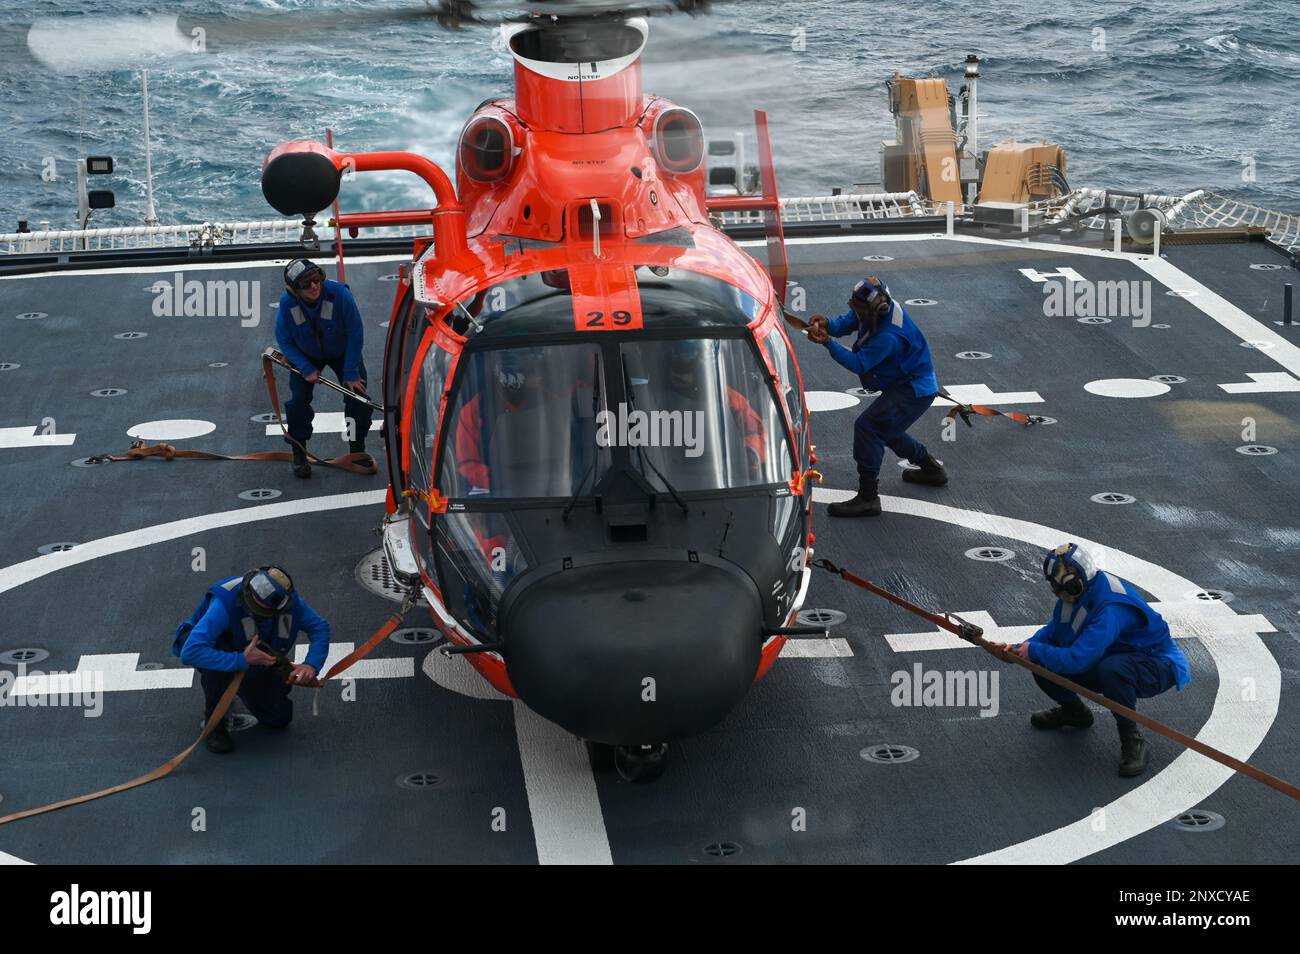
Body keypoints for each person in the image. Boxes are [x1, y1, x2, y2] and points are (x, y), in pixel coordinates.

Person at [995, 543, 1192, 777]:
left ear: (1071, 583)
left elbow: (1079, 660)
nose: (1055, 592)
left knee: (1112, 670)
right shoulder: (1080, 593)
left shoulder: (1111, 607)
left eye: (1056, 586)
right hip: (1116, 653)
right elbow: (1054, 632)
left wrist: (1034, 651)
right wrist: (1018, 650)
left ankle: (1133, 739)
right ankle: (1075, 712)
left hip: (1157, 664)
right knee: (1043, 657)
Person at [807, 276, 945, 517]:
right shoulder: (878, 309)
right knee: (887, 430)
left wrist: (828, 342)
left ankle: (868, 498)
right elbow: (853, 319)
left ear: (878, 307)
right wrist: (829, 323)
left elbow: (859, 363)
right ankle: (931, 468)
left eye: (861, 309)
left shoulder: (888, 337)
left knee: (869, 428)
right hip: (906, 383)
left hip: (913, 390)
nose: (856, 314)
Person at [174, 566, 330, 754]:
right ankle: (215, 721)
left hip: (257, 658)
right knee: (217, 667)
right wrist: (241, 659)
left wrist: (311, 664)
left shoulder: (292, 602)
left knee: (279, 718)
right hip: (223, 650)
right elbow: (191, 652)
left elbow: (319, 627)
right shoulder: (225, 603)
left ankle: (243, 685)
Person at [274, 258, 375, 478]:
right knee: (298, 401)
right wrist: (304, 366)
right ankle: (299, 452)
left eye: (316, 279)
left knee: (358, 398)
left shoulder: (340, 296)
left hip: (343, 352)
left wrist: (350, 372)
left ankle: (357, 449)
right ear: (294, 290)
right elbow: (284, 339)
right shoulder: (288, 305)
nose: (313, 286)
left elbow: (356, 333)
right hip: (306, 355)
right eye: (306, 283)